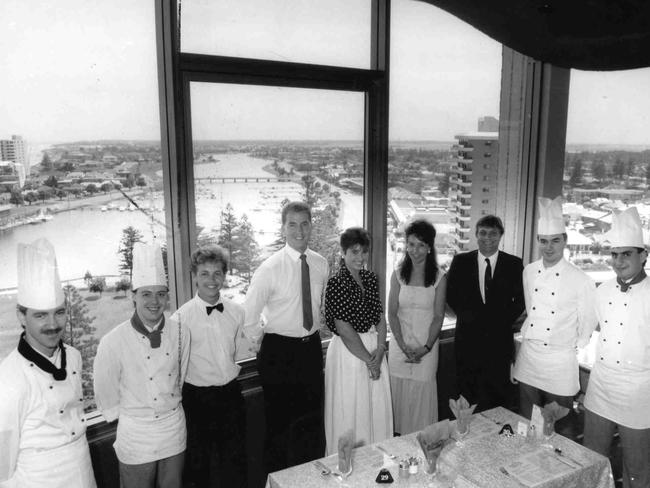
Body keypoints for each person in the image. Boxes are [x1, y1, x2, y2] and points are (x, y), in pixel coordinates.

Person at [0, 238, 97, 487]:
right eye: (40, 315)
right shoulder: (9, 377)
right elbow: (3, 455)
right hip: (38, 479)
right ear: (22, 316)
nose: (53, 324)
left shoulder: (73, 356)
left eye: (60, 312)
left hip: (82, 469)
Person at [94, 242, 190, 488]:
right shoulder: (113, 341)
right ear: (133, 296)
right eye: (146, 294)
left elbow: (180, 377)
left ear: (167, 297)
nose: (154, 301)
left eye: (160, 293)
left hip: (172, 428)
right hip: (136, 434)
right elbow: (106, 394)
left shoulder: (182, 332)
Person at [244, 201, 329, 473]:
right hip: (279, 353)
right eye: (292, 224)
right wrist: (264, 346)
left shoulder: (320, 263)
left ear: (311, 226)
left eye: (305, 223)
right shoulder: (269, 268)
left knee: (311, 424)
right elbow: (250, 317)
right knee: (279, 428)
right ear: (283, 228)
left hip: (311, 351)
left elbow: (319, 306)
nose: (299, 230)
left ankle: (309, 480)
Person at [513, 197, 597, 436]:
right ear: (538, 241)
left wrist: (570, 344)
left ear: (565, 241)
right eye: (544, 241)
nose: (549, 247)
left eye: (555, 241)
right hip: (530, 355)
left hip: (560, 359)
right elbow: (531, 307)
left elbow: (588, 322)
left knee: (563, 424)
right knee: (528, 419)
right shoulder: (529, 272)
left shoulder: (581, 279)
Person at [583, 207, 650, 488]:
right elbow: (592, 328)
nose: (618, 261)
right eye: (614, 254)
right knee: (592, 460)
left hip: (638, 392)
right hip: (601, 386)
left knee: (636, 468)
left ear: (643, 255)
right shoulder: (602, 290)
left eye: (627, 254)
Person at [170, 245, 247, 488]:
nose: (211, 280)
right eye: (204, 273)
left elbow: (240, 350)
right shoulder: (180, 319)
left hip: (231, 395)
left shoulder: (236, 312)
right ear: (194, 276)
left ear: (224, 275)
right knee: (199, 468)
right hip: (197, 400)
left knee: (234, 463)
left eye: (217, 273)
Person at [324, 227, 393, 455]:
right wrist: (369, 361)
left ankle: (376, 461)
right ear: (343, 253)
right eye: (354, 252)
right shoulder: (336, 283)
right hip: (349, 354)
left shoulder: (371, 278)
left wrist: (381, 351)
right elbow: (344, 330)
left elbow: (380, 318)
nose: (360, 258)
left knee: (374, 409)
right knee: (351, 409)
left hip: (374, 350)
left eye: (364, 252)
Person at [446, 214, 525, 411]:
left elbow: (522, 300)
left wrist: (502, 320)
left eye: (493, 234)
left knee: (497, 402)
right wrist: (468, 316)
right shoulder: (460, 262)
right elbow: (450, 296)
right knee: (466, 401)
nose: (487, 238)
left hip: (499, 344)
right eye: (482, 233)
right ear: (476, 235)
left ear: (501, 236)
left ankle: (498, 441)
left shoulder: (514, 264)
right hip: (467, 343)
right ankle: (467, 441)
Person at [388, 219, 446, 435]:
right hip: (399, 348)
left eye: (421, 245)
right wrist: (402, 345)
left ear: (430, 247)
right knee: (397, 400)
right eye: (411, 244)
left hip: (426, 350)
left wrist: (426, 347)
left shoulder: (439, 277)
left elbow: (438, 316)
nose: (415, 250)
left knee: (421, 402)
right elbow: (391, 313)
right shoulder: (398, 274)